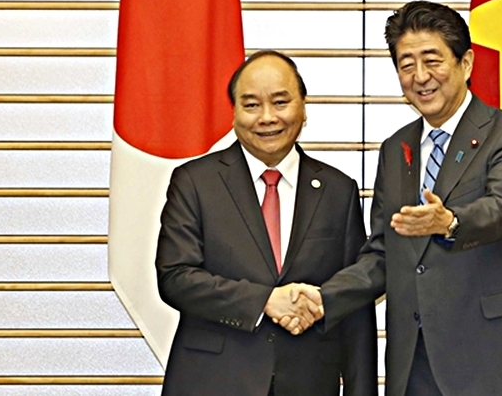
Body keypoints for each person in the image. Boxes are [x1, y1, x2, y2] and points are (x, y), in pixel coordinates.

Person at [287, 0, 502, 395]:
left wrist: (451, 222)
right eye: (406, 65)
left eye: (432, 60)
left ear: (466, 63)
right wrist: (325, 298)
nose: (420, 76)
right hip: (414, 364)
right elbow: (383, 252)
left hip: (492, 360)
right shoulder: (396, 149)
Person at [155, 50, 377, 396]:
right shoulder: (195, 182)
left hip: (308, 383)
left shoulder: (338, 190)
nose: (267, 117)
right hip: (212, 382)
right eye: (251, 105)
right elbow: (175, 277)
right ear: (234, 112)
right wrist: (264, 300)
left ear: (303, 107)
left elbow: (354, 303)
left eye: (280, 102)